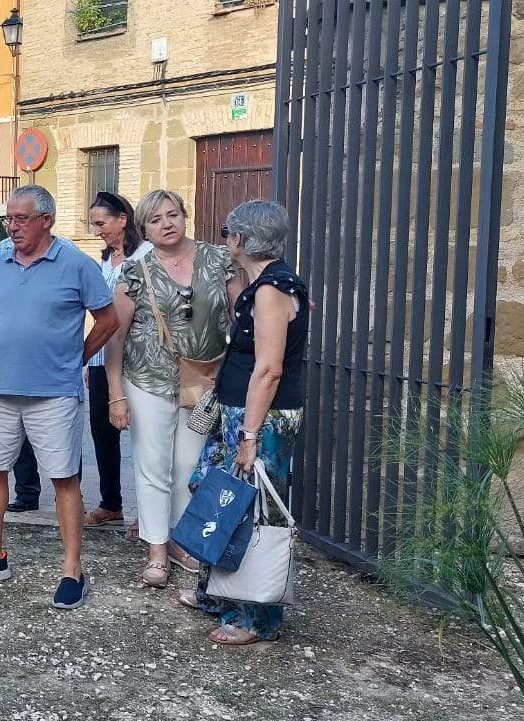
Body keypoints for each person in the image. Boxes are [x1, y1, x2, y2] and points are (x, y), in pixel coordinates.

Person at [0, 186, 118, 611]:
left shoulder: (77, 265)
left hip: (55, 393)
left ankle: (72, 569)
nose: (13, 226)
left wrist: (76, 355)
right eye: (9, 219)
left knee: (64, 478)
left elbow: (109, 318)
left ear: (46, 220)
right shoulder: (2, 258)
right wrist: (15, 343)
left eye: (21, 218)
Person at [179, 200, 309, 645]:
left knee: (254, 511)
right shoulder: (259, 284)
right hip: (237, 411)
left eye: (227, 232)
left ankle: (254, 615)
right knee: (218, 496)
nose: (224, 239)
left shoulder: (274, 290)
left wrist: (249, 434)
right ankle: (218, 593)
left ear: (242, 239)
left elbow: (269, 368)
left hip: (261, 419)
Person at [104, 189, 238, 588]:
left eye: (173, 214)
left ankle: (181, 540)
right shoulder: (135, 271)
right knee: (152, 464)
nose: (167, 223)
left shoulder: (218, 260)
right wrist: (116, 394)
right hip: (149, 380)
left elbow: (240, 313)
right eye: (157, 219)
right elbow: (115, 337)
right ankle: (157, 550)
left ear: (184, 216)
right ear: (143, 227)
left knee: (189, 465)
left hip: (205, 381)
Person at [82, 192, 152, 531]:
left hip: (138, 361)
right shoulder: (105, 260)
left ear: (123, 218)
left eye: (101, 223)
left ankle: (149, 512)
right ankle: (111, 503)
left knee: (144, 436)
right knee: (102, 432)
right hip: (100, 360)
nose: (97, 231)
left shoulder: (146, 255)